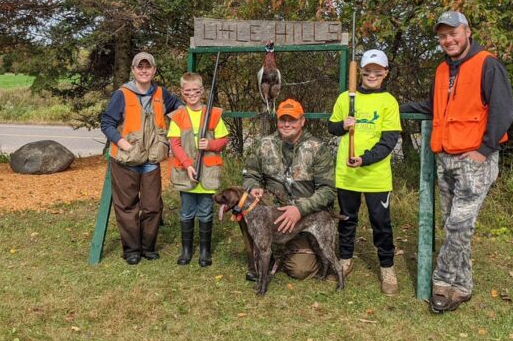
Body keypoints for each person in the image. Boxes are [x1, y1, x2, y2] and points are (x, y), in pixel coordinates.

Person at [401, 11, 513, 313]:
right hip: (446, 159)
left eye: (453, 33)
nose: (448, 40)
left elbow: (504, 111)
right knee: (455, 226)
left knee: (457, 225)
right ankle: (462, 287)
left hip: (474, 160)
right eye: (442, 36)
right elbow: (432, 106)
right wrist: (391, 107)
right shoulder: (441, 70)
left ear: (467, 32)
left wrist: (484, 149)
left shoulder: (487, 64)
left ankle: (441, 283)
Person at [328, 49, 401, 295]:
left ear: (385, 73)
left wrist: (365, 159)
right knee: (347, 220)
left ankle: (387, 267)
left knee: (381, 223)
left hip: (375, 177)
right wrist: (342, 125)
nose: (372, 75)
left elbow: (389, 140)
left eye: (377, 72)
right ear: (360, 72)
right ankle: (345, 259)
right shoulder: (345, 98)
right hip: (347, 174)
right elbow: (332, 127)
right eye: (368, 71)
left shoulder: (389, 102)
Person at [100, 52, 182, 265]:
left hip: (151, 161)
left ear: (154, 70)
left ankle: (148, 247)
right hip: (125, 160)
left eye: (148, 67)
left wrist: (172, 137)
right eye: (140, 67)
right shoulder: (122, 94)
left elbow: (181, 112)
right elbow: (107, 123)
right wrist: (123, 144)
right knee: (127, 207)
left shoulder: (162, 94)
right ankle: (132, 250)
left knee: (153, 206)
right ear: (133, 70)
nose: (144, 70)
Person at [241, 98, 336, 281]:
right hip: (273, 215)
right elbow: (250, 174)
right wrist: (254, 187)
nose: (286, 124)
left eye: (292, 120)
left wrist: (300, 210)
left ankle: (292, 250)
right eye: (282, 119)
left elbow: (328, 190)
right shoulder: (264, 144)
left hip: (304, 219)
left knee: (301, 271)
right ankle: (260, 259)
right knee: (245, 208)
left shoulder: (317, 148)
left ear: (302, 121)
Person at [168, 72, 229, 267]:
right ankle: (186, 250)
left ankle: (204, 251)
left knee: (205, 211)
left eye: (196, 91)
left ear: (202, 91)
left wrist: (210, 144)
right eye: (188, 91)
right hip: (187, 174)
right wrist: (187, 164)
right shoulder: (178, 115)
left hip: (208, 173)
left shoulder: (213, 114)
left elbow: (224, 140)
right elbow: (175, 144)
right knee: (186, 211)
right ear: (182, 93)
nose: (192, 94)